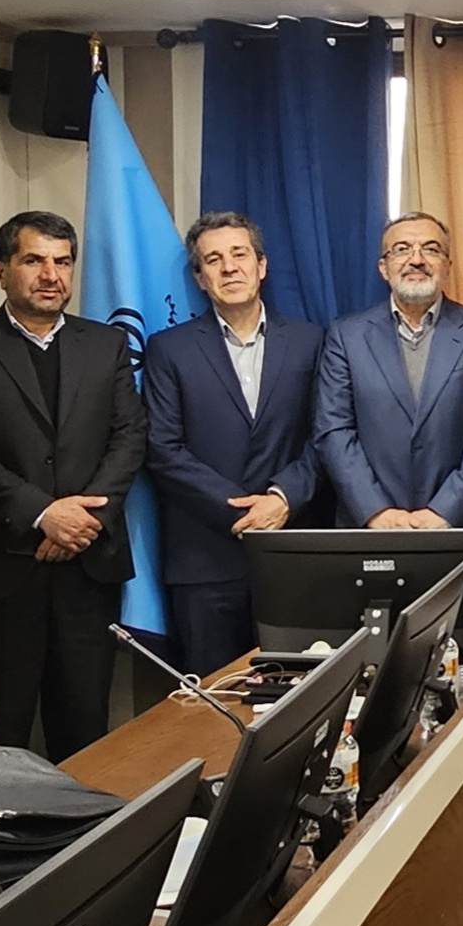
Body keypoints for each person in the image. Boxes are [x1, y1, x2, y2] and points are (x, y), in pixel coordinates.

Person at [0, 210, 148, 762]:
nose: (51, 275)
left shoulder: (106, 344)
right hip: (6, 567)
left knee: (86, 727)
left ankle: (84, 820)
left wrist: (83, 520)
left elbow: (129, 437)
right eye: (34, 260)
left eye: (63, 262)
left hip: (89, 568)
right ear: (2, 270)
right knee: (1, 728)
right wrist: (42, 514)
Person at [142, 212, 326, 673]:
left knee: (299, 693)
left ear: (261, 265)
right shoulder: (168, 349)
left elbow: (326, 435)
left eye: (239, 254)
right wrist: (244, 512)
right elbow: (163, 448)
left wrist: (282, 498)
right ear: (199, 278)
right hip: (205, 562)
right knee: (212, 698)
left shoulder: (311, 341)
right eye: (213, 260)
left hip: (292, 552)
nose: (229, 268)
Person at [312, 212, 463, 531]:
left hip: (461, 525)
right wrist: (375, 511)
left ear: (448, 265)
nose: (416, 260)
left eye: (431, 249)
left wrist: (446, 511)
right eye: (402, 249)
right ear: (383, 267)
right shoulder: (345, 336)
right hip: (370, 528)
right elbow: (334, 429)